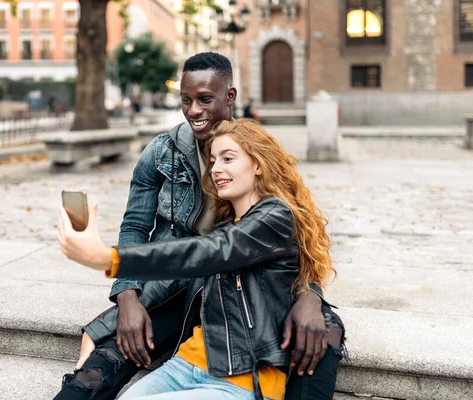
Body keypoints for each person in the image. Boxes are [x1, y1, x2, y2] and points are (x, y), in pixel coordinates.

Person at [54, 52, 344, 400]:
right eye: (186, 100)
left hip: (235, 286)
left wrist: (311, 295)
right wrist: (127, 296)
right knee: (94, 372)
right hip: (171, 289)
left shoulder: (256, 152)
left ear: (230, 97)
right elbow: (135, 226)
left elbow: (293, 237)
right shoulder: (161, 152)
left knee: (324, 330)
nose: (194, 110)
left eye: (205, 99)